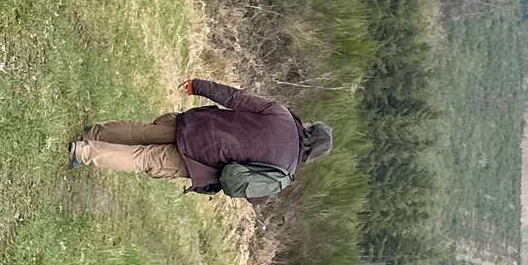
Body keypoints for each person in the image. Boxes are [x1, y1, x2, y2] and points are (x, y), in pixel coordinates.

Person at [69, 79, 334, 203]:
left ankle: (94, 133)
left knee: (143, 132)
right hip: (200, 163)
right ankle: (82, 152)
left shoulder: (282, 115)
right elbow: (250, 191)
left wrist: (199, 86)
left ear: (309, 128)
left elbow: (235, 98)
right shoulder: (284, 174)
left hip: (198, 127)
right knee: (142, 158)